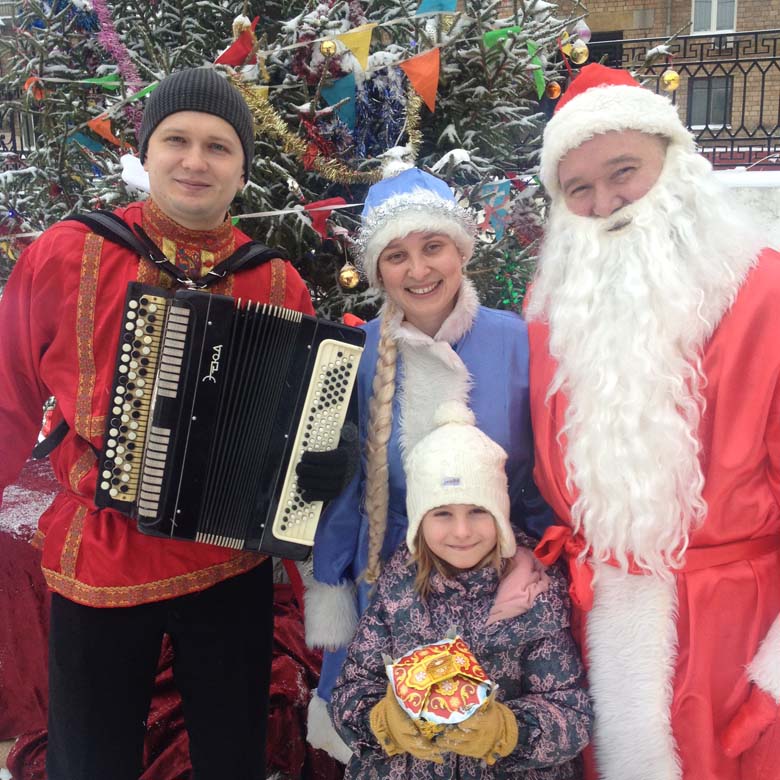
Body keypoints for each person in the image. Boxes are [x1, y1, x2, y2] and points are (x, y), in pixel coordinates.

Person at [0, 67, 351, 780]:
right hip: (102, 559)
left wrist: (321, 461)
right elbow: (7, 394)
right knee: (90, 760)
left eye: (218, 147)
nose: (195, 161)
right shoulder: (66, 252)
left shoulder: (276, 280)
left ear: (242, 170)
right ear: (146, 153)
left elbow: (298, 416)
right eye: (176, 140)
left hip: (227, 563)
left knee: (232, 755)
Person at [525, 62, 780, 780]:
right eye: (578, 188)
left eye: (623, 172)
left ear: (674, 165)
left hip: (739, 634)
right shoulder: (553, 312)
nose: (605, 202)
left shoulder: (766, 292)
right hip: (597, 624)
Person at [305, 165, 552, 760]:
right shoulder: (356, 354)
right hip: (389, 587)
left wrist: (542, 560)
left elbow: (549, 472)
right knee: (400, 743)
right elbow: (347, 489)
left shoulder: (520, 342)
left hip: (500, 581)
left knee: (486, 742)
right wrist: (333, 577)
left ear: (460, 250)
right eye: (396, 256)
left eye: (433, 247)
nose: (418, 271)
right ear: (378, 271)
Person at [330, 401, 592, 779]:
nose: (462, 531)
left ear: (500, 514)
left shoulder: (535, 596)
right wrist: (383, 722)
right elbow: (350, 692)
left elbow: (572, 713)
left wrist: (507, 731)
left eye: (477, 511)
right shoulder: (396, 589)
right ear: (420, 521)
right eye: (442, 513)